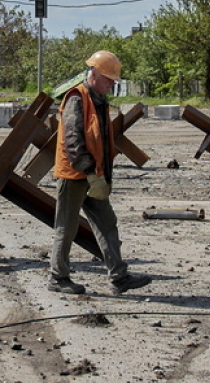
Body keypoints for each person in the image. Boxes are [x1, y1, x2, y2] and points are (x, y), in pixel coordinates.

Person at [48, 50, 152, 296]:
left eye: (113, 81)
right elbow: (72, 140)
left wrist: (100, 174)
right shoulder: (77, 98)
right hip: (74, 175)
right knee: (66, 226)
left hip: (93, 174)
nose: (111, 85)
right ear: (93, 74)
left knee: (107, 223)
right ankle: (58, 277)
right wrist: (89, 171)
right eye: (108, 80)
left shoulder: (98, 99)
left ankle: (119, 276)